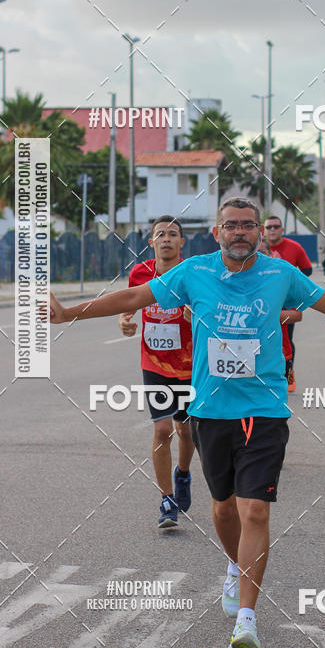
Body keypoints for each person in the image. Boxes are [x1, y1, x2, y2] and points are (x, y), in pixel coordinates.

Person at [47, 197, 325, 648]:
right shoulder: (194, 272)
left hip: (265, 409)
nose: (239, 232)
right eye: (231, 226)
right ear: (217, 232)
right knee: (222, 510)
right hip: (210, 411)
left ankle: (246, 618)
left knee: (254, 511)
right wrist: (68, 313)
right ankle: (233, 563)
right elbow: (133, 298)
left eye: (248, 225)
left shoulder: (280, 274)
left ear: (259, 231)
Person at [118, 216, 195, 529]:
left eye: (173, 234)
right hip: (154, 363)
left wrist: (195, 316)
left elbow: (207, 312)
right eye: (160, 234)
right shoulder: (140, 272)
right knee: (162, 430)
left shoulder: (192, 274)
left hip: (189, 365)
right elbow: (128, 306)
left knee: (186, 431)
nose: (166, 239)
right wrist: (124, 322)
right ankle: (167, 499)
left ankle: (184, 474)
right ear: (151, 242)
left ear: (181, 243)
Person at [264, 215, 313, 393]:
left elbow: (307, 269)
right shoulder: (253, 247)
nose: (272, 230)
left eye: (275, 226)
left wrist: (292, 287)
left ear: (282, 229)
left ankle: (288, 372)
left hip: (284, 302)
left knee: (286, 338)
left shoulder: (294, 247)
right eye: (268, 227)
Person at [258, 238, 302, 389]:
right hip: (247, 354)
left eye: (262, 253)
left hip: (278, 352)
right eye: (254, 253)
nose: (258, 257)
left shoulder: (282, 281)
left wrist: (265, 316)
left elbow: (297, 315)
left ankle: (290, 375)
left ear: (271, 254)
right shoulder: (235, 282)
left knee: (275, 403)